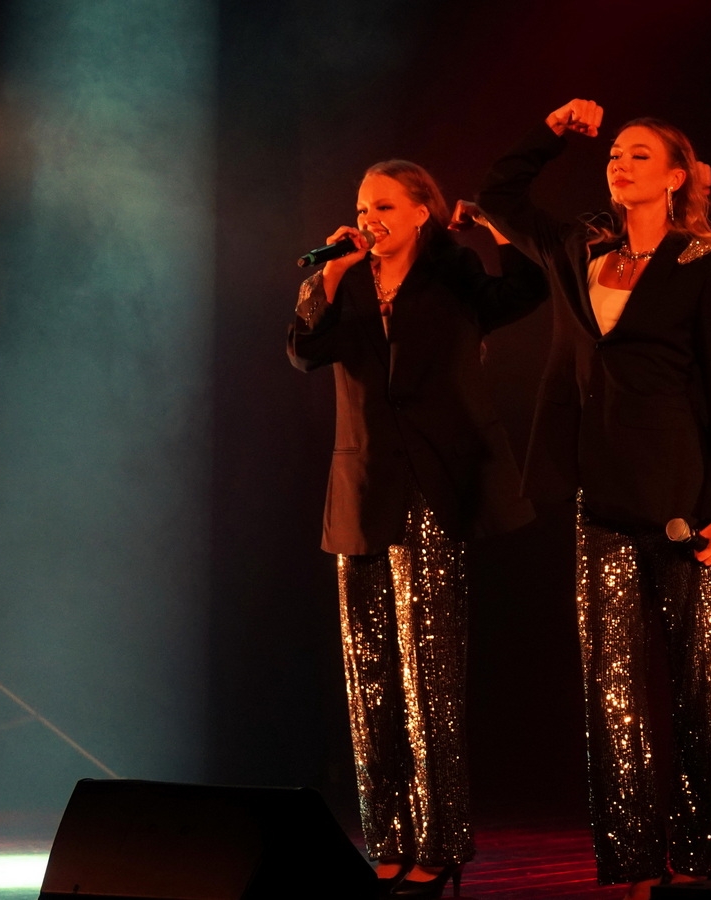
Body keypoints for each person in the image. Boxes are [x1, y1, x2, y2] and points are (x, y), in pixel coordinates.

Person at [478, 99, 711, 899]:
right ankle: (632, 862)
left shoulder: (704, 263)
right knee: (611, 689)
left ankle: (703, 853)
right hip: (597, 490)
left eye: (639, 156)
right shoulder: (581, 245)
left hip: (681, 496)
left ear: (677, 177)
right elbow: (499, 197)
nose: (620, 165)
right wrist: (551, 133)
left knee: (701, 685)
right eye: (615, 155)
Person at [287, 159, 546, 898]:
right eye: (363, 207)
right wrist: (328, 276)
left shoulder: (452, 273)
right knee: (369, 681)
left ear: (421, 212)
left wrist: (497, 229)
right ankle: (389, 841)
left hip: (434, 489)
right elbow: (303, 351)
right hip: (361, 490)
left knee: (429, 678)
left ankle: (442, 844)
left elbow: (525, 290)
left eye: (386, 207)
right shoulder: (344, 283)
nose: (370, 220)